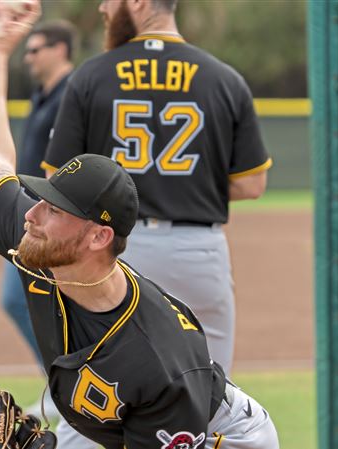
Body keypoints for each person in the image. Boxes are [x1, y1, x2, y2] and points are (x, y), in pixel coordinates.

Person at [0, 1, 279, 448]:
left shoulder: (157, 357)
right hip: (196, 245)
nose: (31, 214)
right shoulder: (44, 246)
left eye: (53, 209)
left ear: (98, 235)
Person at [44, 0, 270, 374]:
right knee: (209, 394)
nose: (103, 7)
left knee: (98, 388)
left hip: (114, 251)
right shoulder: (224, 78)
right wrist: (188, 185)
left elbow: (59, 179)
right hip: (198, 251)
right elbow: (252, 183)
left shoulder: (92, 75)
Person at [0, 20, 74, 417]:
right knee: (19, 301)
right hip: (32, 213)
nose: (28, 57)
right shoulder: (43, 94)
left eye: (36, 49)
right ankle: (62, 381)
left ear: (60, 49)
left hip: (54, 218)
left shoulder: (70, 93)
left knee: (20, 298)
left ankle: (69, 383)